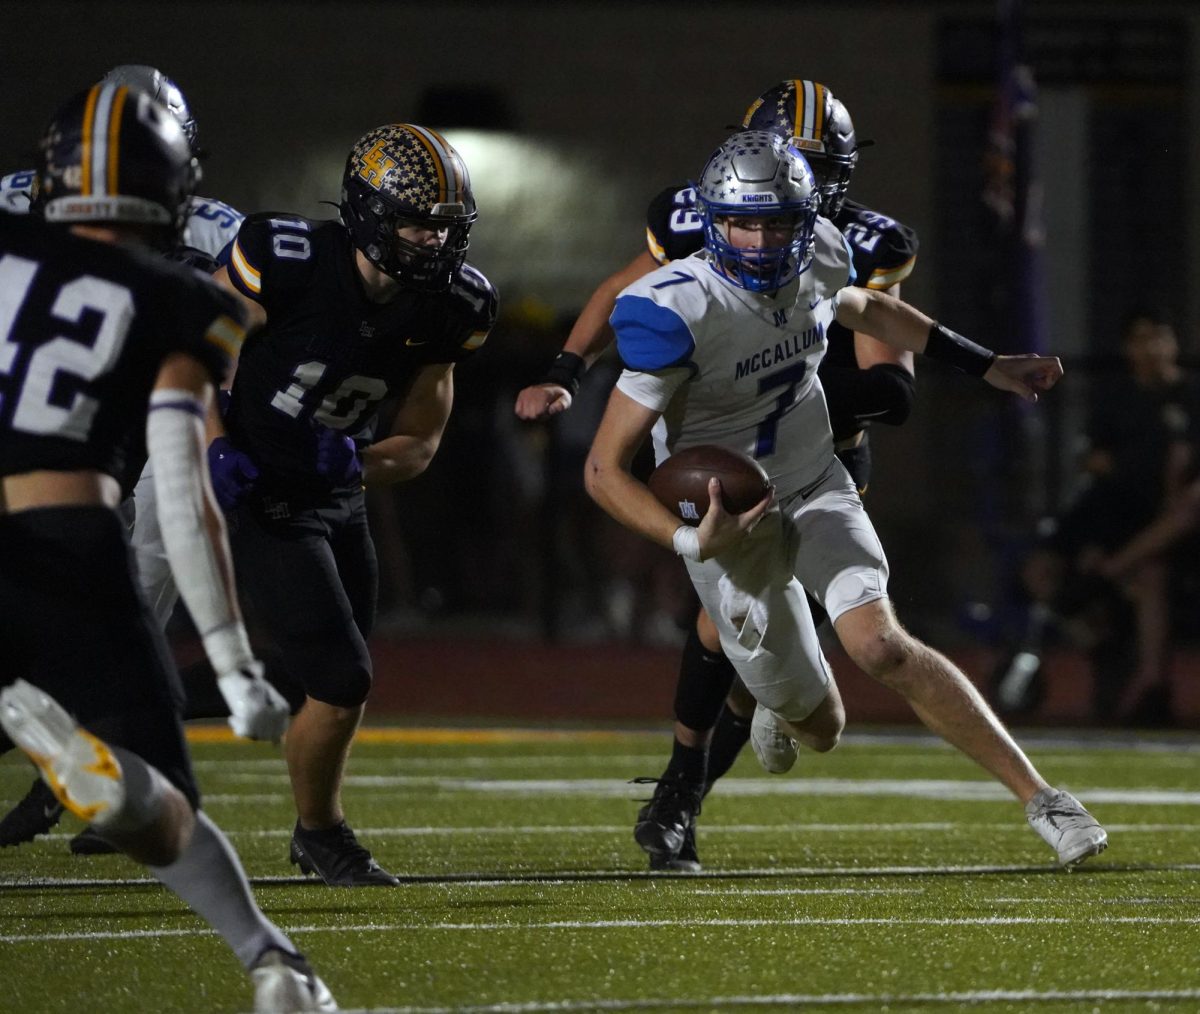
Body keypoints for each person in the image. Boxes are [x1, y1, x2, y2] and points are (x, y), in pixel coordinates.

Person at [584, 128, 1109, 870]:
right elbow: (604, 470)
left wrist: (985, 364)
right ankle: (780, 699)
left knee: (881, 645)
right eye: (744, 221)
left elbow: (868, 309)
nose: (762, 240)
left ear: (805, 219)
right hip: (729, 526)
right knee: (824, 726)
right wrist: (687, 542)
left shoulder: (824, 250)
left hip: (814, 482)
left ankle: (1044, 800)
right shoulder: (672, 308)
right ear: (711, 220)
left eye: (777, 221)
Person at [517, 80, 919, 871]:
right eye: (785, 158)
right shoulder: (711, 227)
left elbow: (893, 374)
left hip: (822, 451)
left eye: (814, 163)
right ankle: (681, 792)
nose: (791, 179)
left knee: (765, 642)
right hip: (726, 457)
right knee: (722, 627)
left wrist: (792, 393)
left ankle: (694, 781)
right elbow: (618, 292)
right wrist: (567, 366)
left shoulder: (854, 244)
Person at [0, 83, 332, 1011]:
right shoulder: (184, 296)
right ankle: (272, 961)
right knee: (162, 817)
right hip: (65, 543)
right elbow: (182, 498)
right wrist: (231, 668)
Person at [209, 123, 498, 886]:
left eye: (446, 226)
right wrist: (213, 443)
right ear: (368, 213)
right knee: (341, 679)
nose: (434, 241)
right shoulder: (290, 260)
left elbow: (421, 443)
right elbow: (197, 352)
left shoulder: (451, 307)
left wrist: (355, 465)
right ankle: (322, 834)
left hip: (335, 498)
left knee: (315, 678)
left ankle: (128, 707)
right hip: (257, 486)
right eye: (418, 222)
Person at [0, 63, 269, 853]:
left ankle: (108, 745)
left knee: (152, 550)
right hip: (41, 419)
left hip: (145, 417)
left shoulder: (217, 228)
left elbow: (245, 318)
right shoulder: (18, 199)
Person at [1004, 307, 1200, 725]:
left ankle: (1149, 681)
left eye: (1160, 336)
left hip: (1168, 527)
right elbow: (1098, 469)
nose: (1152, 348)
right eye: (1141, 338)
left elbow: (1179, 480)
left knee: (1155, 567)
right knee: (1040, 569)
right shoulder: (1116, 401)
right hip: (1117, 517)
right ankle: (1091, 635)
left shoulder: (1190, 397)